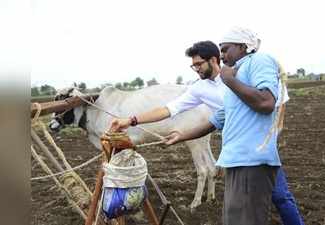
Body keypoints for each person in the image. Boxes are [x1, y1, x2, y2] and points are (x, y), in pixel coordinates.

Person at [111, 36, 304, 225]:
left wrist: (271, 136)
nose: (196, 69)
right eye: (193, 65)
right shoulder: (200, 88)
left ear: (213, 60)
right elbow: (170, 109)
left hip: (259, 146)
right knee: (252, 203)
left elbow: (275, 102)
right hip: (238, 150)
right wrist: (132, 120)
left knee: (278, 197)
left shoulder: (241, 73)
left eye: (199, 64)